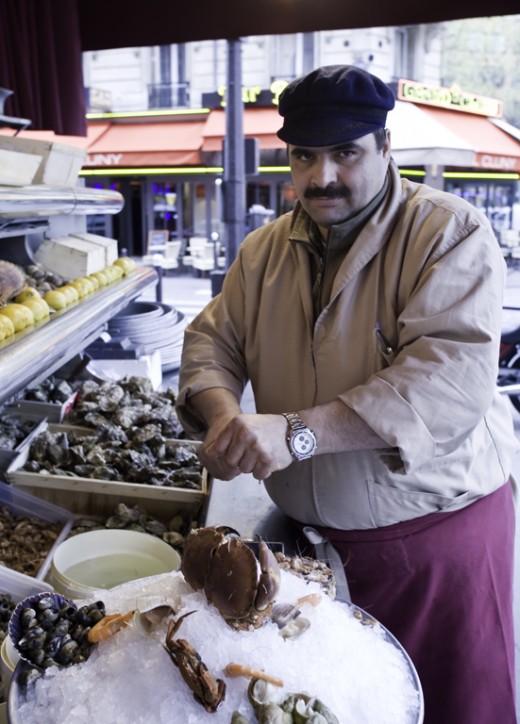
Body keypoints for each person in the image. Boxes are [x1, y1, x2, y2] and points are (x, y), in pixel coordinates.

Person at [176, 65, 519, 723]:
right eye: (305, 155)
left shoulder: (449, 233)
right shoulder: (262, 251)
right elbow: (210, 344)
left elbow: (445, 383)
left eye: (345, 152)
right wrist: (222, 419)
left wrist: (296, 433)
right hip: (306, 557)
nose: (321, 176)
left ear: (385, 146)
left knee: (448, 708)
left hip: (435, 549)